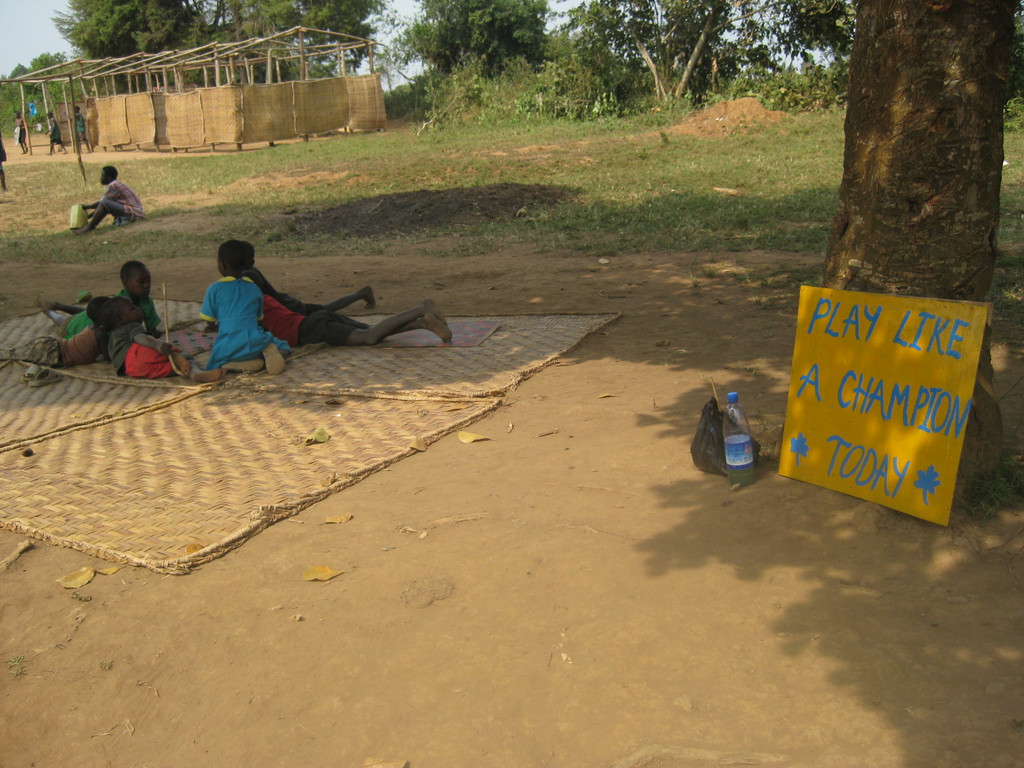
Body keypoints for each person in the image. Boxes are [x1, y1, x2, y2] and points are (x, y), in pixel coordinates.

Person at [199, 240, 291, 374]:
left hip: (229, 346)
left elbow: (209, 319)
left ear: (221, 264)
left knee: (216, 361)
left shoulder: (214, 289)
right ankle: (269, 358)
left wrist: (215, 326)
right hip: (256, 341)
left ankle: (233, 364)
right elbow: (259, 320)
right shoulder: (253, 288)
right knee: (284, 345)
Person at [261, 291, 451, 348]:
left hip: (309, 328)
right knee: (374, 331)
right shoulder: (257, 294)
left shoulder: (248, 303)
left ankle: (420, 308)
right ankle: (422, 322)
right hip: (313, 320)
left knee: (368, 337)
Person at [99, 296, 222, 383]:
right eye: (132, 309)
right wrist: (156, 344)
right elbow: (140, 338)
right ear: (121, 321)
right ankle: (185, 361)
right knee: (182, 356)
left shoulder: (113, 338)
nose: (138, 309)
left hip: (133, 369)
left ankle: (193, 372)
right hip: (138, 354)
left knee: (175, 367)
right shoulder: (131, 326)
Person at [48, 260, 160, 339]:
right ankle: (50, 311)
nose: (147, 285)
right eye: (141, 282)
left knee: (86, 311)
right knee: (63, 321)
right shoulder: (118, 307)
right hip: (76, 326)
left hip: (92, 316)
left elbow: (152, 329)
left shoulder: (146, 301)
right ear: (126, 283)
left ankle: (58, 306)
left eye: (149, 281)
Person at [74, 166, 145, 234]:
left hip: (133, 212)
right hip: (135, 212)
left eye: (102, 176)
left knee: (104, 202)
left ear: (109, 177)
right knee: (105, 204)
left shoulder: (113, 186)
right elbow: (102, 207)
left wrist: (86, 207)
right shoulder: (117, 184)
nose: (100, 178)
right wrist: (89, 216)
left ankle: (89, 228)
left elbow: (102, 203)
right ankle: (89, 226)